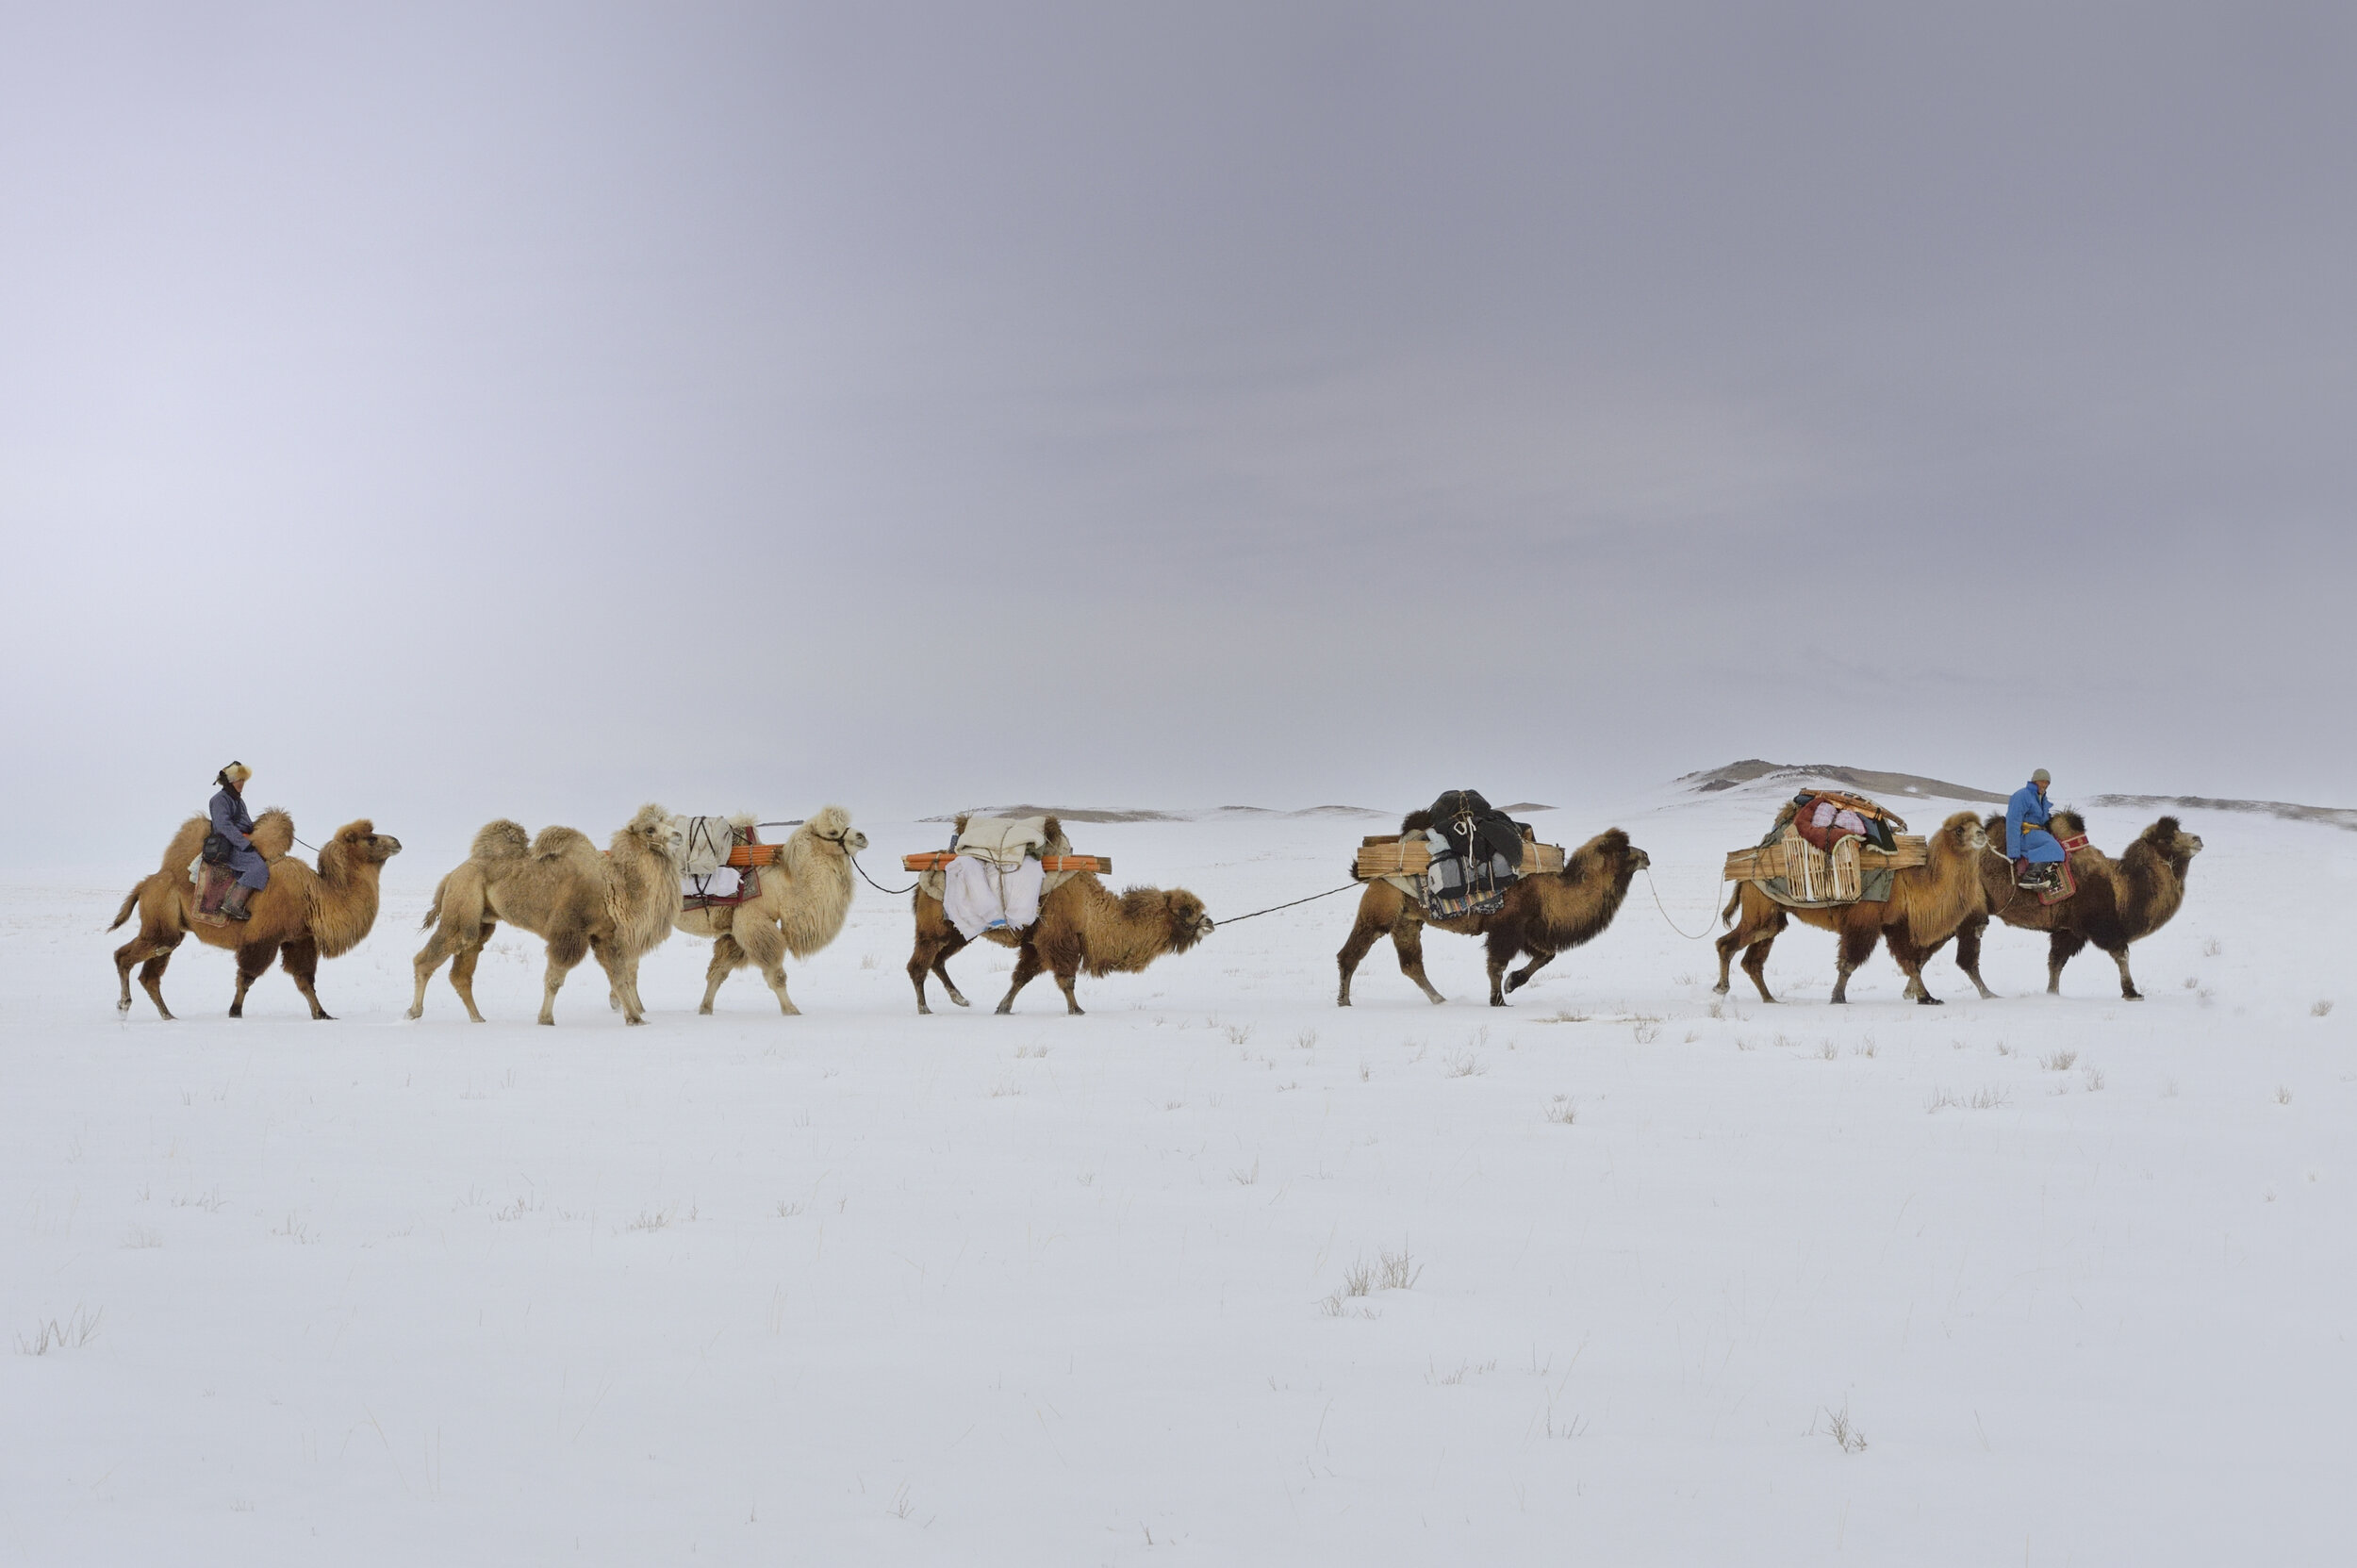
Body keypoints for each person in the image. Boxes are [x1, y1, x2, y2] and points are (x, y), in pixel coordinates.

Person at [209, 761, 269, 920]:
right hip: (229, 845)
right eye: (238, 780)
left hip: (241, 842)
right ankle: (234, 903)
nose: (241, 784)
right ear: (229, 781)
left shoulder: (238, 800)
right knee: (258, 868)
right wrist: (244, 844)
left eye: (243, 780)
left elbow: (246, 824)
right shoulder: (219, 799)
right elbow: (223, 826)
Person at [2006, 767, 2065, 892]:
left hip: (2037, 833)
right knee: (2055, 848)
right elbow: (2013, 822)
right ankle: (2030, 877)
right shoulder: (2022, 795)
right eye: (2042, 781)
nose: (2045, 785)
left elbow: (2042, 819)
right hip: (2025, 834)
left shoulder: (2041, 798)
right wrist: (2013, 852)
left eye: (2047, 783)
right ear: (2035, 781)